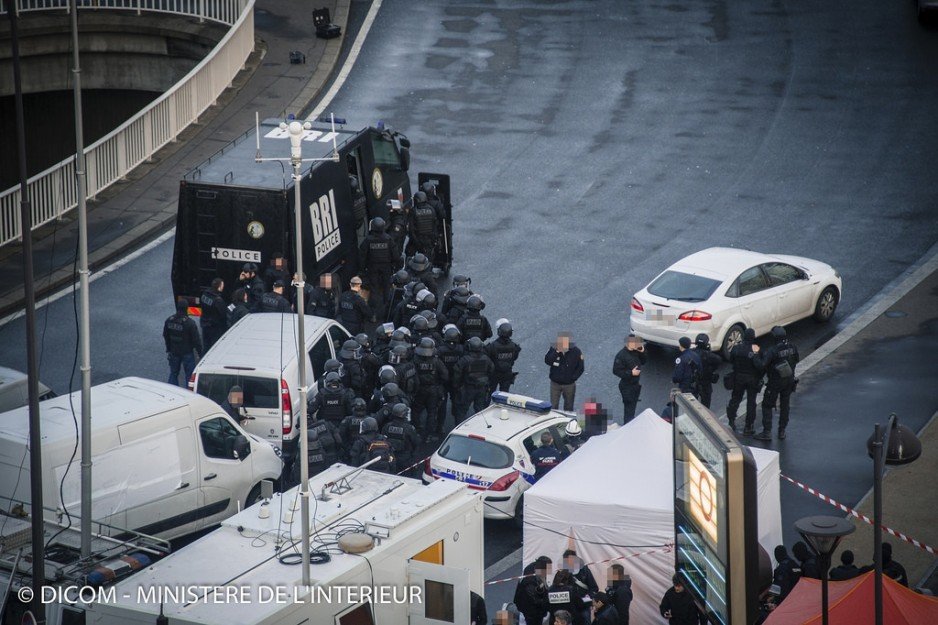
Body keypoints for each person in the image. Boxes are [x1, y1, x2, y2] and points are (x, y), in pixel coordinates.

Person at [755, 326, 799, 441]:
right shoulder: (792, 347)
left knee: (767, 405)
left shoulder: (772, 350)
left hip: (775, 382)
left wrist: (756, 354)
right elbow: (796, 360)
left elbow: (761, 365)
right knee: (785, 406)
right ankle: (782, 431)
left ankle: (767, 432)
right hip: (789, 380)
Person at [726, 328, 763, 435]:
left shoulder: (737, 348)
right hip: (752, 378)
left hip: (738, 378)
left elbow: (731, 360)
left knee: (735, 399)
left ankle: (731, 420)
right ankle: (748, 426)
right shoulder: (756, 348)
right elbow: (760, 365)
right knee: (751, 402)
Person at [359, 217, 398, 316]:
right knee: (387, 288)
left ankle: (374, 314)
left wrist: (362, 270)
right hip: (386, 267)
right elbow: (395, 255)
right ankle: (388, 312)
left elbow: (362, 256)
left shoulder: (368, 240)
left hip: (373, 268)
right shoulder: (388, 239)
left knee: (374, 290)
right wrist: (394, 266)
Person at [412, 337, 449, 441]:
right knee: (432, 413)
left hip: (419, 390)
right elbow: (445, 376)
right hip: (433, 390)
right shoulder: (437, 361)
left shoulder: (415, 360)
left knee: (416, 411)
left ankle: (416, 430)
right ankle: (428, 435)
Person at [453, 337, 495, 422]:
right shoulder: (486, 359)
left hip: (468, 389)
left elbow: (457, 374)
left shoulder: (464, 360)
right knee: (480, 411)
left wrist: (457, 386)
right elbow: (492, 370)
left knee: (461, 411)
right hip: (481, 388)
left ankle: (460, 430)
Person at [290, 418, 342, 485]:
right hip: (322, 480)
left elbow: (297, 475)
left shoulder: (303, 455)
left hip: (308, 485)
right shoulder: (322, 452)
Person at [163, 300, 203, 386]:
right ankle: (188, 394)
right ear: (187, 309)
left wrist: (169, 349)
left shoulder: (169, 321)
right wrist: (200, 354)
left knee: (173, 373)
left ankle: (171, 391)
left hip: (174, 352)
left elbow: (166, 336)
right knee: (189, 376)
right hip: (187, 353)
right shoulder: (190, 323)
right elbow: (197, 341)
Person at [545, 332, 584, 412]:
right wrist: (556, 352)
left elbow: (580, 368)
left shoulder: (576, 352)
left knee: (569, 407)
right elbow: (548, 361)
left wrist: (572, 378)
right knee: (553, 406)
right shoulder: (553, 349)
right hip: (555, 384)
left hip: (569, 385)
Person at [612, 334, 646, 424]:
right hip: (627, 386)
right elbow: (616, 371)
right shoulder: (621, 355)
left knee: (632, 408)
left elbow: (644, 362)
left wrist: (642, 352)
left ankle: (630, 424)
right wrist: (631, 373)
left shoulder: (636, 351)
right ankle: (628, 427)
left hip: (635, 385)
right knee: (629, 410)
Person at [437, 324, 465, 425]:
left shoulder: (440, 350)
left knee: (442, 405)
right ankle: (458, 425)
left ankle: (440, 427)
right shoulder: (462, 349)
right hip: (456, 380)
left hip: (443, 381)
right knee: (457, 403)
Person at [381, 403, 420, 474]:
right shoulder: (409, 428)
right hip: (405, 459)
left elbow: (382, 441)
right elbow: (416, 444)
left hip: (389, 457)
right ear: (405, 414)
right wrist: (414, 461)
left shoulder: (386, 426)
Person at [486, 319, 522, 393]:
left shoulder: (492, 346)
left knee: (489, 393)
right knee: (504, 395)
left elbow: (487, 359)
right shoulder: (514, 346)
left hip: (494, 373)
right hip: (507, 373)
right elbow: (514, 358)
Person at [514, 557, 551, 625]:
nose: (549, 571)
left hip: (532, 606)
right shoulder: (530, 582)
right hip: (531, 610)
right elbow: (535, 600)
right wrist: (548, 601)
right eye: (548, 569)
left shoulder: (535, 567)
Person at [408, 191, 439, 261]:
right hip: (429, 239)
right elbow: (434, 226)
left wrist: (415, 241)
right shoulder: (431, 209)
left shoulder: (413, 211)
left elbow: (411, 229)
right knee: (428, 259)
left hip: (417, 239)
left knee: (408, 254)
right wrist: (434, 239)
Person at [693, 333, 722, 409]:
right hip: (705, 382)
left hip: (693, 382)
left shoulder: (692, 352)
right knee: (706, 405)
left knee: (691, 405)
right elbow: (718, 360)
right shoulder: (709, 355)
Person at [199, 277, 228, 350]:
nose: (223, 287)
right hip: (214, 327)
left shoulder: (205, 294)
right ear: (219, 287)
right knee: (214, 347)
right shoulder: (218, 300)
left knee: (206, 345)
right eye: (222, 285)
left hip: (204, 323)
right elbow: (223, 315)